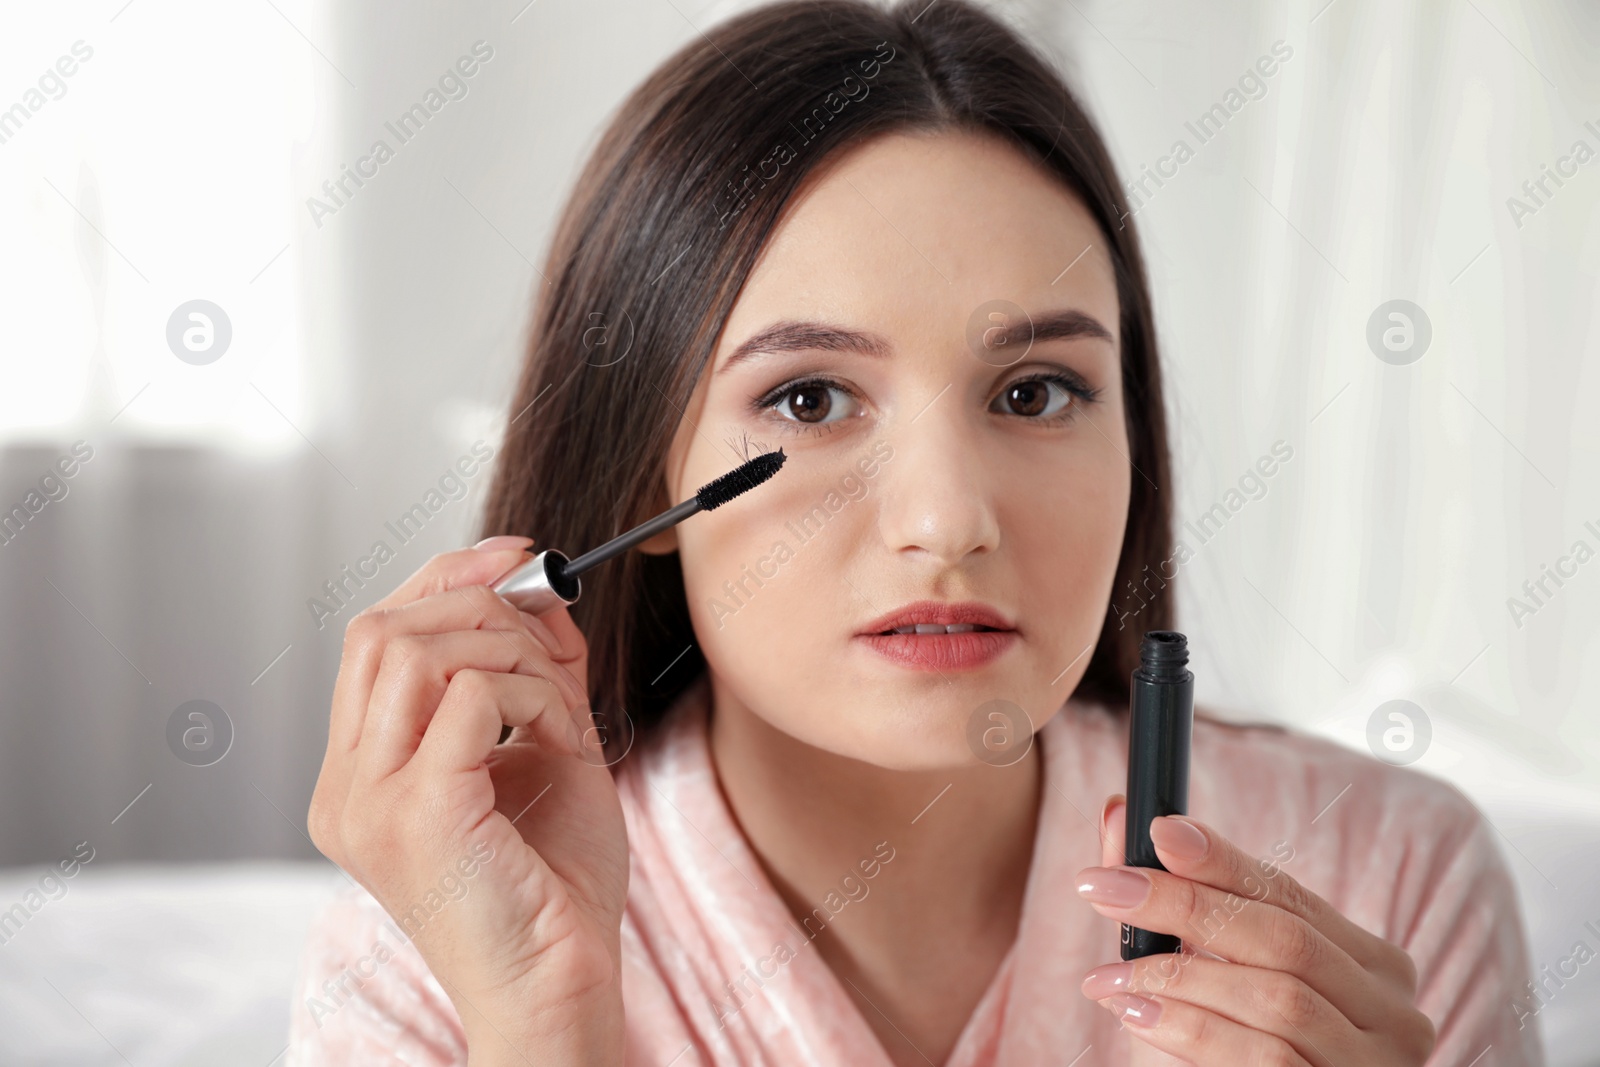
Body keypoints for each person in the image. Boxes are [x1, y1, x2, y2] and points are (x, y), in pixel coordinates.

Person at [286, 1, 1543, 1064]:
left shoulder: (1391, 876)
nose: (949, 519)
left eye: (1035, 391)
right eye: (809, 399)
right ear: (637, 483)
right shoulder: (440, 948)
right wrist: (545, 1028)